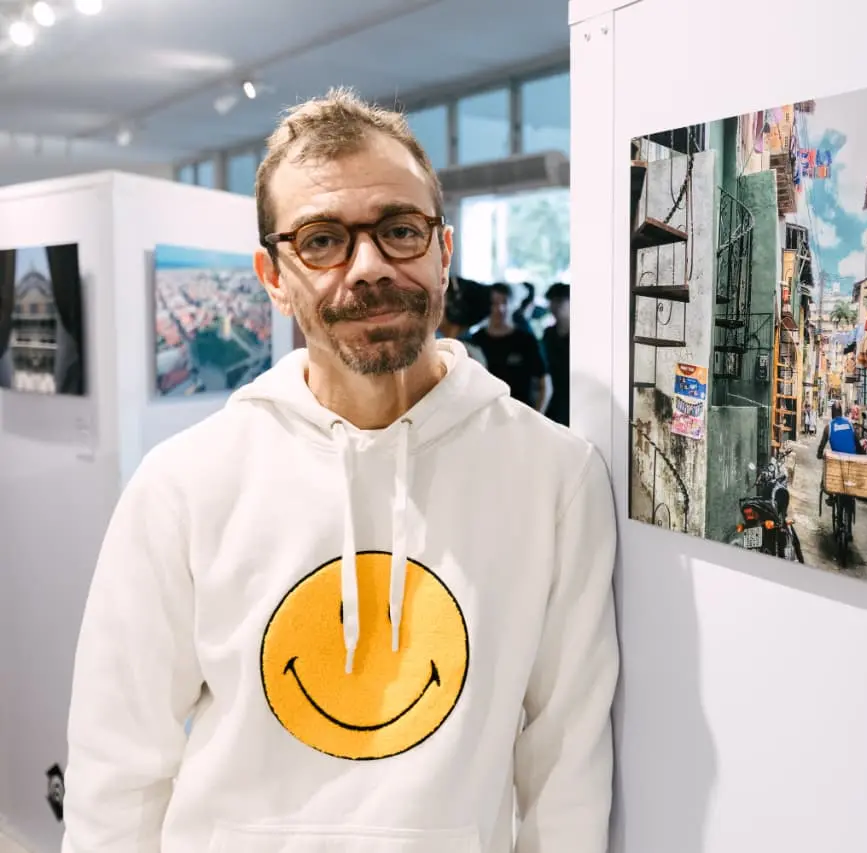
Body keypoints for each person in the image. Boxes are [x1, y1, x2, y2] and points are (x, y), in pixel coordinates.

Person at [62, 88, 619, 853]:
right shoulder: (184, 482)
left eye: (399, 230)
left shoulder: (554, 475)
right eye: (322, 240)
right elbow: (117, 765)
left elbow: (567, 765)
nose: (368, 267)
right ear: (272, 275)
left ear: (443, 250)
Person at [471, 283, 550, 412]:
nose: (500, 308)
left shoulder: (526, 340)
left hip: (519, 415)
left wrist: (537, 416)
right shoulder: (476, 340)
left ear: (513, 304)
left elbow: (545, 385)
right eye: (494, 303)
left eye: (505, 302)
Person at [542, 282, 570, 426]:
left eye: (559, 301)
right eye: (552, 301)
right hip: (553, 395)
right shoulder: (548, 333)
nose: (555, 306)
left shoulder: (580, 336)